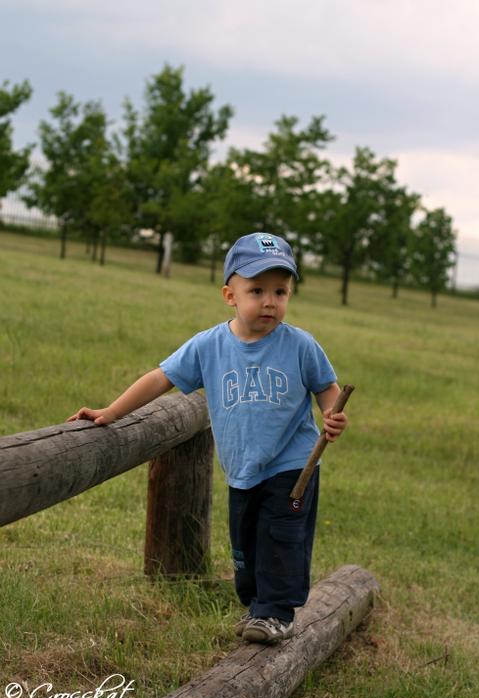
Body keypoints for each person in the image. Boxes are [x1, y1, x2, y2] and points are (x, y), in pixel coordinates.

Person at [68, 232, 348, 645]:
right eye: (257, 290)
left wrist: (332, 414)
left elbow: (326, 387)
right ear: (229, 295)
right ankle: (257, 605)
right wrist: (111, 412)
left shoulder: (300, 345)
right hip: (242, 467)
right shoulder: (209, 345)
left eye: (280, 291)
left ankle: (276, 613)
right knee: (246, 542)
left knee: (281, 537)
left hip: (293, 464)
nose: (270, 302)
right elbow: (160, 378)